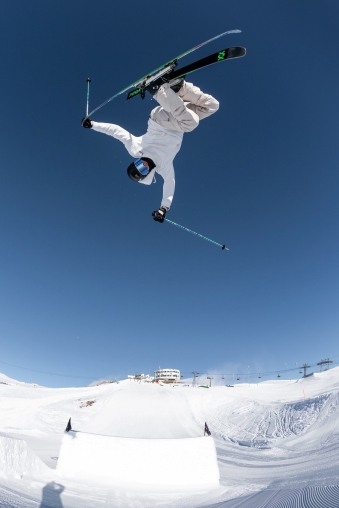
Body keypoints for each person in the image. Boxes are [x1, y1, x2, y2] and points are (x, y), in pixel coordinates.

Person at [82, 78, 219, 222]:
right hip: (177, 120)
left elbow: (117, 132)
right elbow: (169, 184)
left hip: (159, 120)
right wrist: (164, 208)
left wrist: (93, 125)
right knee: (212, 106)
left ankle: (158, 90)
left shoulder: (136, 149)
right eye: (143, 169)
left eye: (139, 164)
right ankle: (179, 88)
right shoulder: (163, 167)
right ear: (147, 174)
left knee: (191, 123)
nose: (144, 164)